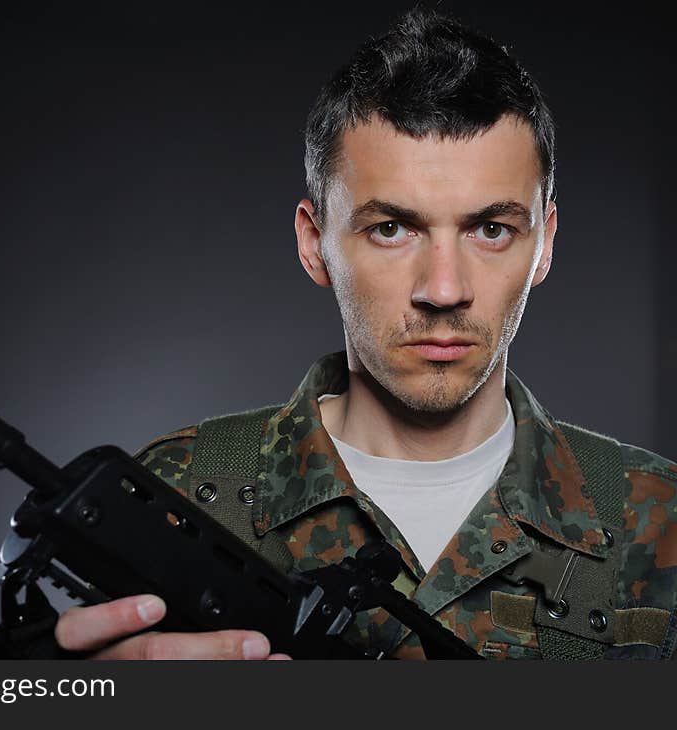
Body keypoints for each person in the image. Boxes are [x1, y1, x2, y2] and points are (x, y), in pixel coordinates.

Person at [52, 7, 677, 660]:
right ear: (314, 243)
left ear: (544, 246)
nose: (443, 289)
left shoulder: (659, 521)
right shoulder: (177, 499)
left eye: (491, 229)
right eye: (390, 229)